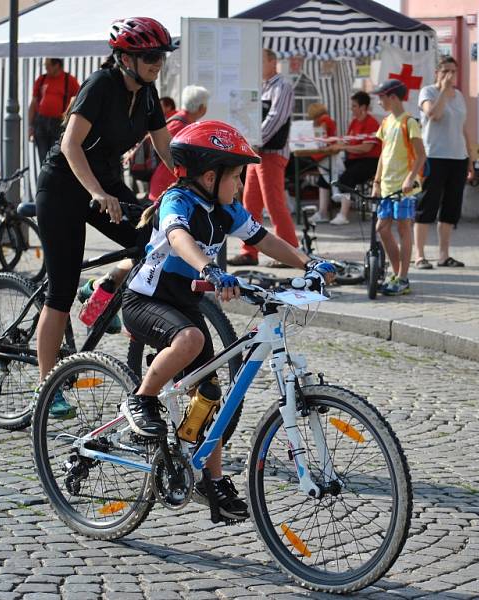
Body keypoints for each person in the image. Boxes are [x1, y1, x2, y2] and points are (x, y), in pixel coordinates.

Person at [122, 120, 335, 521]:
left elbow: (264, 239)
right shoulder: (177, 201)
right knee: (190, 341)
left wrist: (310, 261)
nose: (240, 185)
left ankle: (211, 479)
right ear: (209, 175)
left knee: (210, 394)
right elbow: (179, 239)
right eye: (236, 176)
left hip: (184, 304)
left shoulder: (225, 209)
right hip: (146, 298)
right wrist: (209, 268)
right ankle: (142, 398)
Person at [34, 17, 176, 418]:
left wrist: (195, 179)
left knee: (153, 239)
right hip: (63, 187)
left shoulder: (147, 93)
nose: (157, 63)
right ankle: (48, 389)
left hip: (106, 186)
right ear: (125, 57)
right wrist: (96, 192)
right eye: (150, 56)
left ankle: (100, 287)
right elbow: (69, 143)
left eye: (161, 56)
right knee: (59, 291)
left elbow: (166, 148)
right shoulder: (100, 85)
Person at [228, 48, 298, 267]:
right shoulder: (263, 87)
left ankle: (290, 251)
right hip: (258, 152)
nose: (256, 67)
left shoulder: (283, 86)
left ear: (272, 61)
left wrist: (255, 139)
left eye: (260, 62)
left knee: (274, 203)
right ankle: (249, 251)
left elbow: (277, 117)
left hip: (271, 153)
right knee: (250, 203)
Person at [414, 56, 472, 270]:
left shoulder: (460, 97)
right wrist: (444, 93)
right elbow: (433, 115)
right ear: (437, 72)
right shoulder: (428, 92)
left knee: (451, 208)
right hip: (435, 155)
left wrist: (470, 157)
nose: (450, 75)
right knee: (427, 204)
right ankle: (419, 255)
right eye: (445, 71)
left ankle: (444, 255)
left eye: (453, 72)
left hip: (457, 157)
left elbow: (463, 128)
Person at [371, 79, 426, 296]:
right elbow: (383, 157)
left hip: (404, 189)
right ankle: (397, 274)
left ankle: (403, 278)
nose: (379, 102)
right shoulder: (385, 123)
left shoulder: (409, 122)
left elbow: (422, 156)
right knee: (381, 229)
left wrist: (410, 178)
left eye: (381, 97)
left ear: (393, 97)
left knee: (404, 229)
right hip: (386, 187)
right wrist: (376, 182)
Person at [319, 91, 381, 225]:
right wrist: (332, 146)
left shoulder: (372, 123)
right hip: (353, 160)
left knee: (347, 177)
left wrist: (341, 148)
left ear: (363, 107)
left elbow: (366, 148)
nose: (351, 109)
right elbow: (347, 141)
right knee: (325, 173)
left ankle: (343, 214)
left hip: (370, 162)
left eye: (354, 106)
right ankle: (322, 212)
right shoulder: (354, 122)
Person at [148, 85, 209, 201]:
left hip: (171, 185)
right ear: (201, 108)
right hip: (166, 186)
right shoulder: (179, 125)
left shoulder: (182, 121)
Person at [28, 58, 81, 164]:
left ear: (57, 65)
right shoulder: (41, 79)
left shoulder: (69, 80)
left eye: (48, 66)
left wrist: (68, 115)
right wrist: (30, 126)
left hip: (58, 123)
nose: (46, 68)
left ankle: (54, 179)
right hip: (41, 122)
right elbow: (33, 103)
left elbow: (78, 99)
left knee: (56, 156)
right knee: (43, 157)